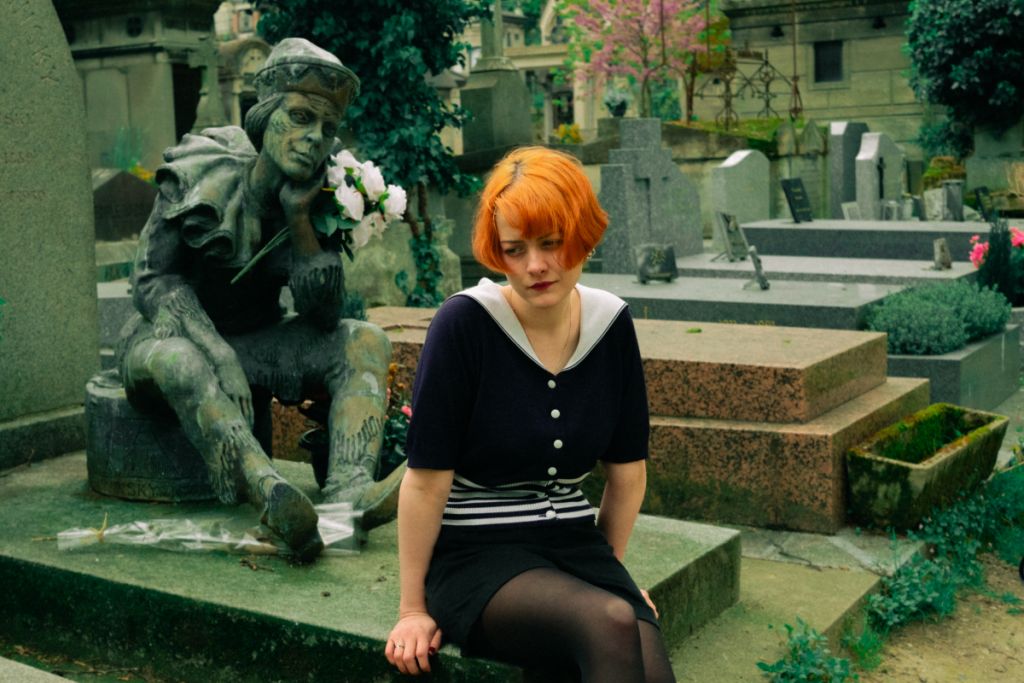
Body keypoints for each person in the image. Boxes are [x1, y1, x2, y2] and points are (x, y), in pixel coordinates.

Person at [384, 147, 676, 682]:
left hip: (574, 547)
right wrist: (411, 610)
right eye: (514, 250)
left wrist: (609, 573)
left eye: (550, 243)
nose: (535, 266)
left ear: (582, 234)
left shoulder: (610, 325)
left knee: (644, 652)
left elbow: (628, 475)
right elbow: (424, 483)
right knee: (610, 621)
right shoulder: (465, 325)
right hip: (476, 553)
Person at [115, 38, 401, 563]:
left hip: (256, 342)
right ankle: (267, 491)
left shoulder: (322, 198)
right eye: (299, 117)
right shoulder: (203, 170)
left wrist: (299, 223)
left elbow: (323, 318)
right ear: (265, 116)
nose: (314, 138)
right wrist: (216, 352)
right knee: (183, 361)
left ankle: (345, 498)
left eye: (327, 128)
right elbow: (151, 281)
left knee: (364, 338)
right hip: (166, 341)